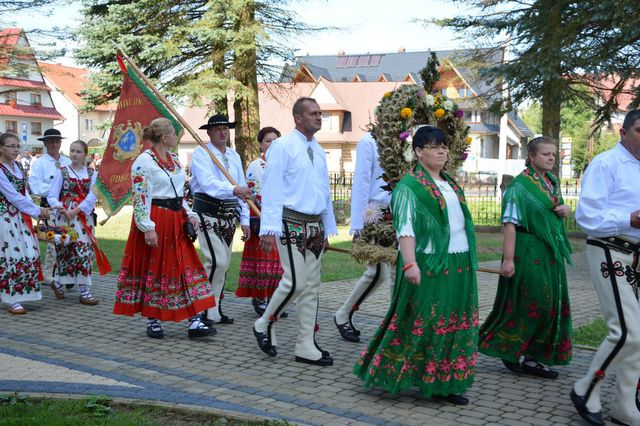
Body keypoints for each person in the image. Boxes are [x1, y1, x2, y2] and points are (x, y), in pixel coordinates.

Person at [353, 126, 478, 405]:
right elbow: (405, 228)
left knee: (454, 322)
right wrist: (410, 264)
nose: (442, 151)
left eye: (444, 146)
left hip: (459, 260)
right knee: (428, 321)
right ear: (419, 152)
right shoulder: (409, 187)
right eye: (434, 146)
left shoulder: (449, 182)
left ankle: (446, 382)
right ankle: (419, 378)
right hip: (430, 261)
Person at [478, 136, 573, 379]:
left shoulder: (552, 182)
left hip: (549, 251)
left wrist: (565, 210)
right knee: (532, 301)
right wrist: (507, 260)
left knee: (550, 303)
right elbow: (509, 224)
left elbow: (552, 211)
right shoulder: (518, 188)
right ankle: (506, 346)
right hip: (526, 249)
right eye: (545, 154)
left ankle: (533, 358)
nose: (551, 157)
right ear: (531, 157)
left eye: (553, 154)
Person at [253, 97, 338, 366]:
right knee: (295, 282)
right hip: (290, 221)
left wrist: (327, 227)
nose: (318, 117)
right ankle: (264, 322)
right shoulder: (282, 146)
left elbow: (324, 190)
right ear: (297, 117)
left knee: (312, 287)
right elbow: (272, 188)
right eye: (313, 113)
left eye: (320, 113)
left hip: (314, 224)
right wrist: (268, 228)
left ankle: (305, 345)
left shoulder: (319, 149)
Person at [113, 118, 215, 339]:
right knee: (157, 268)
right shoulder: (143, 162)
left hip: (177, 219)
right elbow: (140, 198)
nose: (176, 136)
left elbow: (180, 192)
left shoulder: (175, 160)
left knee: (185, 266)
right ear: (163, 137)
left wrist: (190, 214)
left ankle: (194, 320)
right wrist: (147, 227)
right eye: (172, 133)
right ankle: (153, 319)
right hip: (157, 219)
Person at [570, 109, 640, 426]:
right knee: (626, 331)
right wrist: (630, 219)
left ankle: (625, 406)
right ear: (623, 133)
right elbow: (586, 218)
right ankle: (586, 388)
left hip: (637, 255)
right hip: (610, 250)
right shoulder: (605, 163)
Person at [190, 114, 252, 326]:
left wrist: (245, 217)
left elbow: (242, 187)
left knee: (222, 266)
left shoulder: (234, 156)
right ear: (209, 132)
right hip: (207, 212)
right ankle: (199, 309)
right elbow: (208, 184)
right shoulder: (202, 153)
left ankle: (213, 311)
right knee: (216, 261)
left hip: (228, 216)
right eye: (218, 129)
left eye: (225, 128)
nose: (223, 132)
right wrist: (233, 189)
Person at [334, 132, 393, 343]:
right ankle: (343, 313)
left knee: (396, 274)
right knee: (378, 273)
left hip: (400, 213)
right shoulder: (370, 141)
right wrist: (358, 225)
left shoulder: (407, 139)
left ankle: (394, 326)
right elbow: (360, 182)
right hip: (376, 213)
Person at [47, 140, 104, 305]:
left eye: (78, 151)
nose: (74, 154)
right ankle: (58, 281)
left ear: (85, 155)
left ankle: (84, 290)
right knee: (66, 250)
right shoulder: (62, 171)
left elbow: (92, 196)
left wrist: (76, 210)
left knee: (84, 251)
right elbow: (52, 195)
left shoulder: (93, 174)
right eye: (72, 151)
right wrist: (60, 206)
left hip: (82, 217)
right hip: (65, 217)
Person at [236, 127, 285, 315]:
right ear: (260, 144)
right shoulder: (256, 166)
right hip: (262, 216)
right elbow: (252, 193)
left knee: (279, 262)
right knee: (263, 259)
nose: (271, 144)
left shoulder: (282, 165)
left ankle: (274, 298)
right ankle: (259, 297)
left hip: (280, 217)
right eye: (267, 141)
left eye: (275, 141)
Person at [0, 132, 50, 314]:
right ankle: (10, 297)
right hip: (5, 217)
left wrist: (37, 210)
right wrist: (37, 210)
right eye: (11, 146)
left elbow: (24, 193)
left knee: (30, 251)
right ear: (1, 148)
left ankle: (21, 292)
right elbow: (12, 196)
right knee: (11, 256)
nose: (15, 150)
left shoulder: (19, 166)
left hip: (20, 217)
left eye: (17, 146)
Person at [29, 128, 71, 288]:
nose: (54, 144)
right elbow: (35, 187)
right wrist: (56, 189)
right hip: (50, 207)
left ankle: (66, 273)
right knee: (54, 241)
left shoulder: (68, 161)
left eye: (57, 141)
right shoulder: (39, 163)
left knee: (69, 240)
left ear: (60, 142)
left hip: (68, 206)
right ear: (45, 143)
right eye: (51, 141)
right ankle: (48, 275)